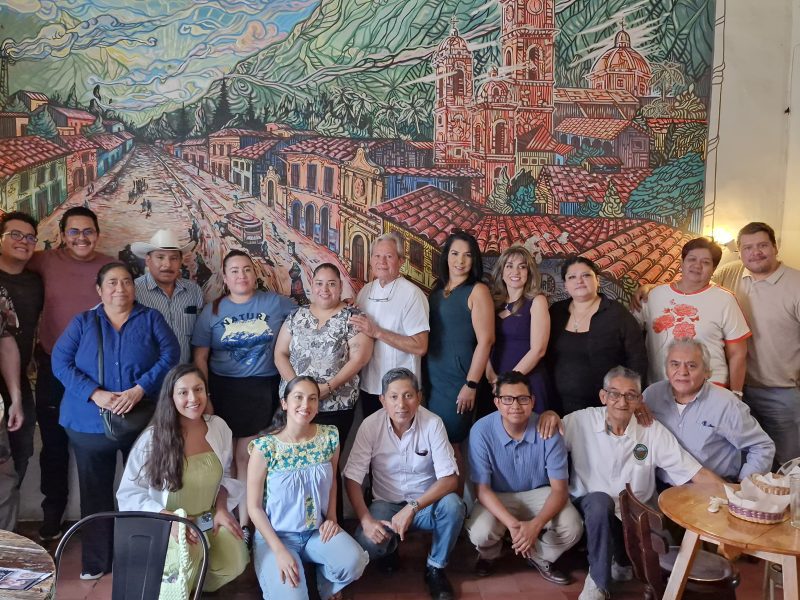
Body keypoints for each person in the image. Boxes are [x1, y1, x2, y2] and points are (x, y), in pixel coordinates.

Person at [538, 366, 722, 600]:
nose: (622, 402)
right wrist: (548, 414)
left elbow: (694, 471)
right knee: (600, 501)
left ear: (639, 400)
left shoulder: (651, 431)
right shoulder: (581, 421)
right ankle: (598, 584)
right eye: (614, 394)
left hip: (633, 516)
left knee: (666, 560)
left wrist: (733, 497)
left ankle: (621, 560)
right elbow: (544, 446)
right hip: (589, 510)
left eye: (630, 395)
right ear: (603, 396)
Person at [52, 261, 180, 578]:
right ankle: (97, 562)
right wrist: (94, 393)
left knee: (146, 490)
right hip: (89, 423)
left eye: (126, 281)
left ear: (134, 287)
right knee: (95, 492)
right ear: (99, 289)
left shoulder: (150, 318)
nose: (120, 288)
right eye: (112, 282)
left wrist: (140, 389)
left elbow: (171, 354)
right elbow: (60, 362)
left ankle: (145, 559)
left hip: (140, 420)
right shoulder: (83, 322)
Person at [117, 364, 248, 596]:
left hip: (206, 519)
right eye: (183, 392)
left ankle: (197, 587)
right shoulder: (153, 439)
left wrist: (221, 509)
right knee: (188, 555)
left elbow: (226, 476)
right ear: (171, 397)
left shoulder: (218, 428)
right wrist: (169, 520)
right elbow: (129, 492)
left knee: (235, 555)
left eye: (198, 389)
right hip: (168, 524)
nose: (193, 399)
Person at [192, 249, 296, 541]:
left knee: (247, 455)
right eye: (235, 271)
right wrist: (206, 395)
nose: (242, 275)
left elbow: (309, 316)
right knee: (225, 457)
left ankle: (247, 523)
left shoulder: (275, 303)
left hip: (262, 388)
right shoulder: (212, 312)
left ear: (255, 274)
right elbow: (200, 357)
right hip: (224, 389)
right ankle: (224, 520)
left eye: (247, 269)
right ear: (225, 278)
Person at [28, 206, 115, 541]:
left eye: (88, 231)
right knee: (53, 443)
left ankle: (96, 521)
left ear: (98, 234)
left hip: (97, 374)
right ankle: (53, 513)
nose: (81, 237)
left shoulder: (109, 267)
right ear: (62, 235)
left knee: (94, 446)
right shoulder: (44, 261)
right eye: (74, 231)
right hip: (53, 367)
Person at [344, 368, 465, 600]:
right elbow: (352, 477)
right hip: (386, 506)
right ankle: (390, 548)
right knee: (366, 544)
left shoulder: (433, 423)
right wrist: (366, 520)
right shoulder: (370, 426)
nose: (401, 404)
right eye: (394, 397)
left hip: (425, 505)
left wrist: (412, 507)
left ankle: (435, 567)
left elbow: (450, 479)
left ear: (419, 397)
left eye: (408, 395)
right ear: (382, 400)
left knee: (453, 506)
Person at [247, 376, 368, 600]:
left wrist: (331, 518)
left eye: (312, 398)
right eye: (298, 397)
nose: (306, 405)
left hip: (315, 532)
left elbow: (332, 482)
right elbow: (254, 507)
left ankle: (323, 580)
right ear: (284, 403)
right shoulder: (264, 447)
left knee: (354, 561)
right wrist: (279, 551)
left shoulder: (329, 436)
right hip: (277, 536)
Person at [466, 371, 581, 584]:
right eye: (507, 399)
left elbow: (559, 490)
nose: (516, 406)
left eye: (523, 399)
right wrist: (513, 525)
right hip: (498, 495)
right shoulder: (481, 431)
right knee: (481, 533)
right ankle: (490, 554)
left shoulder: (547, 428)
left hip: (540, 493)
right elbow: (482, 490)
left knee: (573, 527)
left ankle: (538, 555)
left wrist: (535, 525)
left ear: (532, 401)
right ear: (497, 403)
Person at [714, 222, 800, 465]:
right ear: (739, 251)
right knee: (744, 462)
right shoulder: (730, 274)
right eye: (748, 247)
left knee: (788, 465)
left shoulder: (796, 284)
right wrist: (649, 288)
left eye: (762, 245)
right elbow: (694, 286)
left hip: (781, 392)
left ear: (775, 247)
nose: (755, 253)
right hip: (736, 390)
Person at [643, 338, 774, 482]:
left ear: (707, 372)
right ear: (666, 369)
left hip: (715, 488)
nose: (682, 372)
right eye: (675, 364)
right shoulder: (651, 395)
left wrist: (743, 486)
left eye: (691, 366)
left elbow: (762, 446)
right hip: (661, 487)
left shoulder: (726, 404)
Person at [275, 263, 374, 447]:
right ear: (312, 285)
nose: (325, 289)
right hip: (296, 406)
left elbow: (360, 358)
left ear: (340, 286)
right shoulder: (297, 315)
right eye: (319, 283)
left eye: (331, 284)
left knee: (327, 459)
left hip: (334, 406)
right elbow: (280, 353)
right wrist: (298, 389)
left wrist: (329, 387)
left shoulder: (353, 317)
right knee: (294, 455)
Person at [425, 230, 494, 489]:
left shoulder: (478, 291)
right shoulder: (436, 291)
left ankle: (457, 505)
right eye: (455, 253)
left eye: (467, 255)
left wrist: (471, 384)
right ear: (446, 257)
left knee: (452, 443)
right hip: (433, 377)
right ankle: (442, 503)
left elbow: (486, 341)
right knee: (435, 442)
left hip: (460, 380)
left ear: (474, 260)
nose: (460, 261)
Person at [634, 237, 750, 390]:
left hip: (710, 389)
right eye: (692, 259)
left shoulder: (725, 299)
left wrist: (735, 393)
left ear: (714, 268)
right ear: (682, 263)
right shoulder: (653, 295)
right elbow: (629, 336)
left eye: (705, 262)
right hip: (661, 388)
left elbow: (738, 353)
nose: (697, 266)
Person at [547, 257, 647, 415]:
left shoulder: (617, 314)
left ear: (597, 280)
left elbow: (637, 359)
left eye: (586, 275)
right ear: (565, 285)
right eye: (572, 277)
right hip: (559, 408)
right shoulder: (555, 312)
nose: (579, 281)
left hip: (608, 409)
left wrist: (634, 399)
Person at [352, 233, 430, 417]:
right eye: (377, 256)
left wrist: (377, 332)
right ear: (371, 260)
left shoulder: (412, 294)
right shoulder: (365, 291)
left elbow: (420, 347)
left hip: (400, 390)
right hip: (369, 384)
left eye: (389, 256)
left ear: (401, 261)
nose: (382, 262)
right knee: (373, 433)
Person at [0, 211, 42, 485]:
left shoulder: (35, 282)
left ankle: (8, 510)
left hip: (17, 378)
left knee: (22, 448)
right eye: (15, 234)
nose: (23, 241)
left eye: (29, 237)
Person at [485, 245, 551, 414]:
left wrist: (507, 383)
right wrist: (491, 375)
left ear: (529, 272)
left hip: (527, 381)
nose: (516, 271)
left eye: (522, 267)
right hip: (492, 382)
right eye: (509, 266)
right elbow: (482, 342)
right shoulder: (491, 302)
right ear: (501, 271)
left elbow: (539, 350)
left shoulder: (537, 301)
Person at [132, 229, 204, 363]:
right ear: (148, 260)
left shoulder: (194, 291)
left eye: (174, 258)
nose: (167, 264)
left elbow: (200, 338)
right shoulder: (133, 292)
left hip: (185, 372)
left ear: (181, 261)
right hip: (149, 374)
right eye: (160, 257)